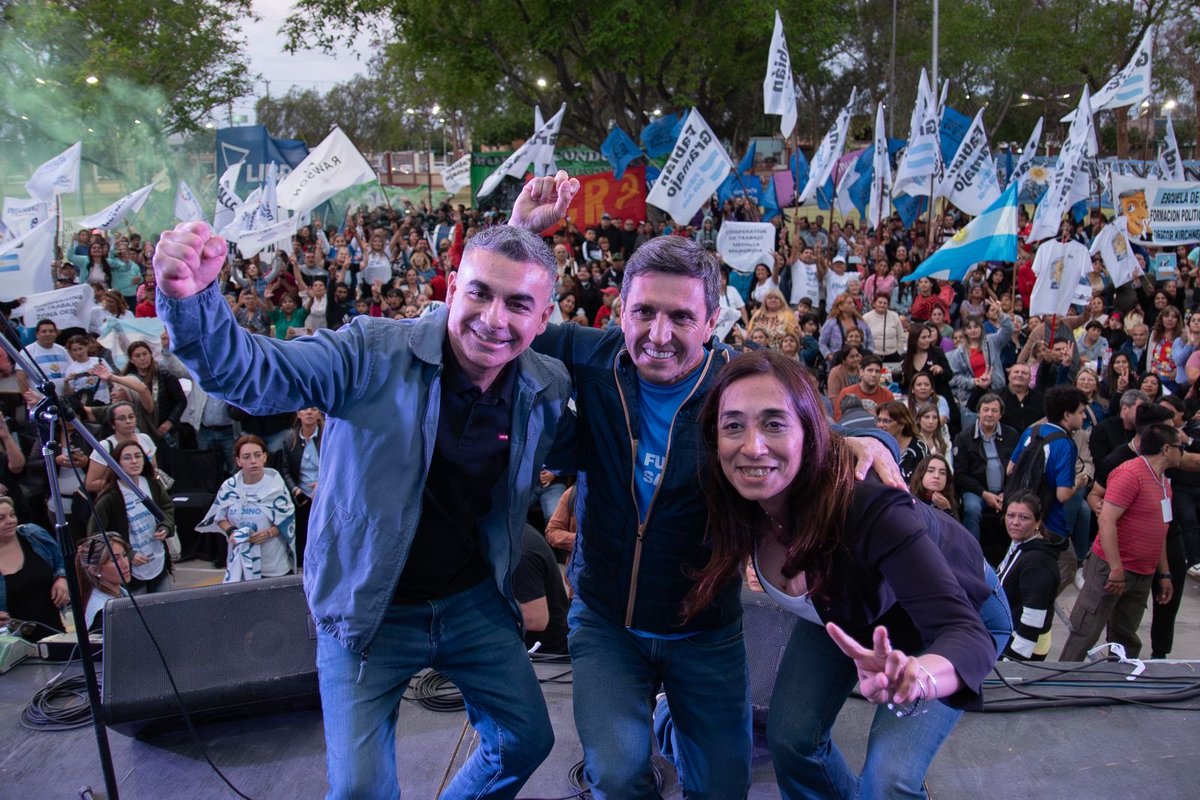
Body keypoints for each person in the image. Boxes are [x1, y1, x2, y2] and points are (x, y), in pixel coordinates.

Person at [155, 195, 574, 797]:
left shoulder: (545, 384)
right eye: (479, 293)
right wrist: (192, 299)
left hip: (473, 604)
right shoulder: (368, 351)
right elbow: (247, 371)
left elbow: (597, 446)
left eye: (518, 304)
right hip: (368, 610)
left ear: (543, 318)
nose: (493, 318)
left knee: (527, 740)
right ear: (452, 287)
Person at [522, 174, 898, 800]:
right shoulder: (589, 358)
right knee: (615, 773)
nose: (658, 335)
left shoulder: (739, 381)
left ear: (714, 319)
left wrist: (870, 440)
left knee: (723, 789)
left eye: (680, 316)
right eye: (643, 312)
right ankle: (656, 735)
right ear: (619, 310)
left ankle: (674, 720)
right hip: (607, 621)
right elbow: (487, 319)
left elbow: (812, 428)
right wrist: (520, 234)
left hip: (704, 629)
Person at [683, 349, 1008, 799]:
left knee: (888, 780)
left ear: (810, 432)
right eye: (733, 425)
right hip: (844, 609)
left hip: (948, 617)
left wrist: (920, 677)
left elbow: (963, 631)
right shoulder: (730, 493)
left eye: (775, 424)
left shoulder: (869, 506)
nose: (752, 446)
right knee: (792, 739)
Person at [1060, 423, 1180, 661]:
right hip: (1110, 569)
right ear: (1166, 449)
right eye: (1180, 447)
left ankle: (1121, 683)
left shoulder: (1163, 482)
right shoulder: (1131, 474)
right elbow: (1106, 521)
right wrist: (1116, 568)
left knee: (1125, 636)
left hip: (1142, 573)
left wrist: (1164, 574)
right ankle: (1062, 682)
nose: (1182, 452)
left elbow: (1160, 531)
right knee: (1086, 631)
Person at [197, 434, 296, 581]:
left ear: (265, 457)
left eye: (257, 455)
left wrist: (268, 533)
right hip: (240, 563)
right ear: (238, 461)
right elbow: (219, 516)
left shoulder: (276, 487)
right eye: (246, 457)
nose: (253, 461)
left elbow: (287, 519)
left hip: (272, 564)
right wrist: (231, 532)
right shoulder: (229, 487)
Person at [88, 441, 175, 594]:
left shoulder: (151, 483)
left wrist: (165, 526)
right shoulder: (110, 497)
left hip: (157, 560)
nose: (134, 461)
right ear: (117, 463)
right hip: (130, 570)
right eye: (127, 458)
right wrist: (127, 553)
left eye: (138, 456)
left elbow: (166, 508)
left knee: (165, 609)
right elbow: (95, 534)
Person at [1008, 386, 1089, 541]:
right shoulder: (1065, 444)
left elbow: (1010, 469)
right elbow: (1063, 494)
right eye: (1081, 412)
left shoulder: (1032, 431)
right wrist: (1078, 482)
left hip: (1021, 517)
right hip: (1051, 524)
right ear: (1067, 415)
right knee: (1067, 562)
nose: (1084, 416)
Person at [996, 493, 1059, 660]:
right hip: (1009, 633)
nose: (1015, 522)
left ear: (1037, 522)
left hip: (1023, 647)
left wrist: (1012, 662)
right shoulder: (1020, 543)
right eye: (1011, 515)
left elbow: (1033, 620)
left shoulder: (1038, 563)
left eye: (1024, 517)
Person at [0, 496, 68, 641]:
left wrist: (62, 578)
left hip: (55, 635)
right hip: (14, 646)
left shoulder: (33, 535)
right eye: (1, 518)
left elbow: (62, 560)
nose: (11, 521)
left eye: (12, 515)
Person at [952, 393, 1018, 541]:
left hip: (1006, 491)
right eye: (986, 410)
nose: (989, 414)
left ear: (1000, 414)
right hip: (977, 491)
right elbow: (961, 475)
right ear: (978, 412)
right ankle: (972, 552)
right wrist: (984, 494)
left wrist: (1006, 492)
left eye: (994, 411)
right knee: (972, 509)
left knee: (1020, 508)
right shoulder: (963, 438)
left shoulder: (1012, 435)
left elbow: (1017, 469)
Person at [515, 525, 569, 655]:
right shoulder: (517, 532)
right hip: (536, 648)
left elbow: (534, 620)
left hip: (544, 655)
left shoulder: (520, 551)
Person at [280, 407, 323, 569]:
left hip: (323, 492)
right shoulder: (289, 438)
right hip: (300, 495)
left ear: (319, 414)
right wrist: (295, 490)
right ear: (298, 414)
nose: (309, 413)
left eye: (314, 409)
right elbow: (285, 470)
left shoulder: (328, 436)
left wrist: (322, 483)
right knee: (302, 532)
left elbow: (337, 465)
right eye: (305, 409)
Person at [75, 532, 132, 632]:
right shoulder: (102, 612)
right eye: (115, 560)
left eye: (124, 555)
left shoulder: (121, 591)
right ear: (94, 570)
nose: (125, 564)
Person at [875, 401, 928, 482]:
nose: (881, 425)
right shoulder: (875, 445)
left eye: (886, 421)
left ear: (901, 425)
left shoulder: (919, 447)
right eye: (879, 420)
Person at [834, 353, 893, 420]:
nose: (874, 374)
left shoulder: (887, 395)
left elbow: (890, 422)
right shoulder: (846, 393)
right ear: (861, 372)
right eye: (870, 370)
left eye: (877, 371)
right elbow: (838, 420)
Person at [912, 454, 960, 518]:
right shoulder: (910, 499)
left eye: (942, 473)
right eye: (930, 471)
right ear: (921, 474)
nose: (936, 476)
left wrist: (947, 509)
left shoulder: (950, 502)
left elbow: (955, 527)